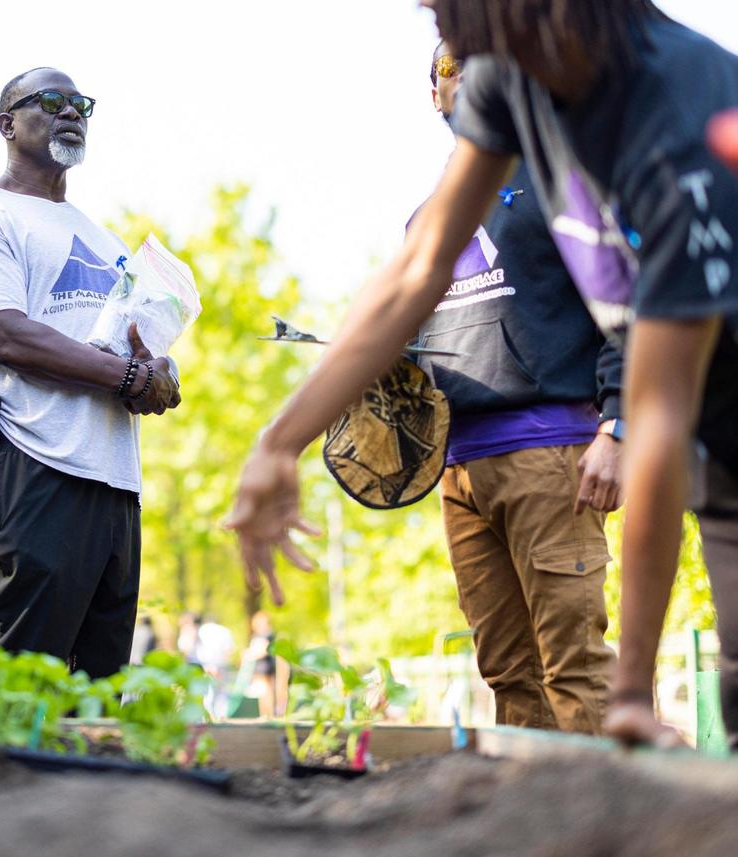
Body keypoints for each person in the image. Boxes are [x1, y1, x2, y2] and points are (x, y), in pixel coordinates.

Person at [228, 0, 738, 750]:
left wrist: (629, 691)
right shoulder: (509, 79)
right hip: (706, 445)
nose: (433, 18)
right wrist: (281, 440)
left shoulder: (682, 111)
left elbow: (657, 415)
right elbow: (419, 269)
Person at [0, 67, 181, 679]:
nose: (70, 112)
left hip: (115, 476)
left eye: (80, 104)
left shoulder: (102, 237)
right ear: (6, 124)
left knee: (99, 682)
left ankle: (90, 779)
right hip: (33, 460)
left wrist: (159, 368)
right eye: (50, 100)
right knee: (24, 671)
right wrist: (127, 378)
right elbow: (7, 337)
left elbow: (128, 342)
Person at [411, 43, 620, 733]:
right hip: (459, 471)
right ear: (431, 95)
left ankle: (607, 831)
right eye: (447, 65)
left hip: (553, 456)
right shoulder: (425, 218)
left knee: (576, 665)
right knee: (506, 672)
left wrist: (618, 427)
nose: (464, 73)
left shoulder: (560, 180)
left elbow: (628, 309)